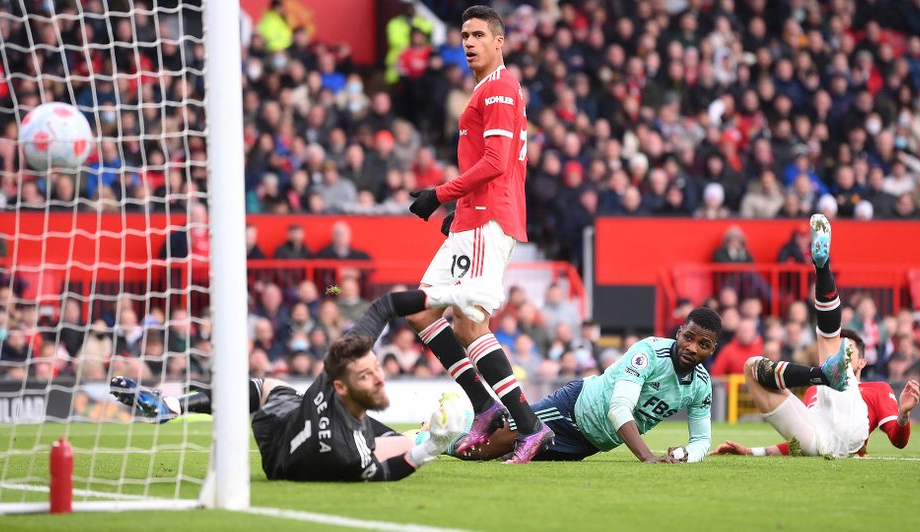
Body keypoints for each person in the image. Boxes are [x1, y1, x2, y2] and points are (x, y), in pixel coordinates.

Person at [110, 285, 496, 482]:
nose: (380, 377)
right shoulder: (348, 453)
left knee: (265, 388)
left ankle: (175, 405)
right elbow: (387, 473)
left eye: (375, 368)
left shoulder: (338, 368)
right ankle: (437, 436)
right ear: (341, 387)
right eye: (368, 375)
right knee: (401, 443)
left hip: (288, 419)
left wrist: (449, 296)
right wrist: (429, 448)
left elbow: (385, 306)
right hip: (284, 455)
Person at [404, 5, 549, 463]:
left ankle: (529, 426)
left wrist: (440, 194)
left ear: (499, 41)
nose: (469, 42)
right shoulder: (488, 87)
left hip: (488, 217)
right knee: (422, 311)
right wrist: (459, 207)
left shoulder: (500, 87)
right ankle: (486, 407)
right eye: (465, 35)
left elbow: (496, 163)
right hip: (474, 214)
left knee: (468, 323)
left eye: (479, 34)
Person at [712, 215, 919, 458]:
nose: (843, 351)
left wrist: (903, 415)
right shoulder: (814, 391)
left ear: (862, 362)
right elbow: (799, 440)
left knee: (829, 342)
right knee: (752, 367)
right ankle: (821, 267)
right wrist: (751, 452)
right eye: (843, 348)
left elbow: (898, 440)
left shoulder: (877, 389)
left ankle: (822, 268)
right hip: (819, 441)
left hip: (850, 431)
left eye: (849, 350)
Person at [424, 307, 722, 464]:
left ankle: (462, 421)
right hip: (571, 411)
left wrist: (686, 456)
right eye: (688, 337)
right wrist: (647, 456)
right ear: (679, 332)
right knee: (483, 451)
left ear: (712, 349)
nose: (692, 347)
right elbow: (619, 409)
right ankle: (443, 427)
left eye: (703, 344)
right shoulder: (649, 353)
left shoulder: (700, 385)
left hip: (588, 445)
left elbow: (701, 440)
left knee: (503, 454)